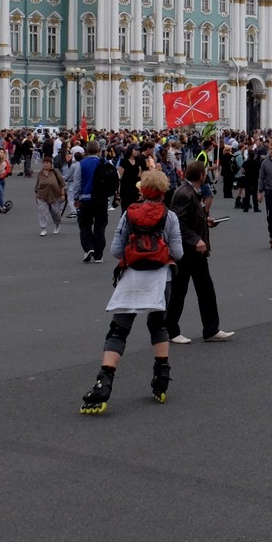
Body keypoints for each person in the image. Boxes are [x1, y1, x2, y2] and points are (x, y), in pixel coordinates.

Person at [79, 170, 185, 415]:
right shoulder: (169, 217)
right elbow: (178, 253)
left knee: (119, 329)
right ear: (163, 192)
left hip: (131, 276)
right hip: (160, 277)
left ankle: (104, 381)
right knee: (159, 325)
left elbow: (116, 249)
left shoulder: (129, 214)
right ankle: (161, 376)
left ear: (142, 191)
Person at [166, 161, 233, 342]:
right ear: (202, 176)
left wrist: (206, 221)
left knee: (205, 289)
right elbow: (177, 222)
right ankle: (171, 330)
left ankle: (211, 329)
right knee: (180, 290)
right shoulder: (185, 194)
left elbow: (189, 218)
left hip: (195, 249)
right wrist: (195, 239)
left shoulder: (190, 191)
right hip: (187, 250)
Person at [68, 141, 109, 261]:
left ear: (86, 150)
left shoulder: (81, 164)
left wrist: (75, 197)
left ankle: (88, 247)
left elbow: (77, 182)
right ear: (98, 150)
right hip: (101, 199)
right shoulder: (105, 163)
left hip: (86, 198)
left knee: (85, 224)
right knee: (100, 226)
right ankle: (99, 254)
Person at [35, 158, 67, 236]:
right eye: (44, 163)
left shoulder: (55, 172)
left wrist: (62, 194)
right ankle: (43, 228)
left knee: (55, 212)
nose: (46, 164)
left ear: (50, 164)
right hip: (42, 195)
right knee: (43, 212)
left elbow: (62, 184)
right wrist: (36, 195)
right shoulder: (40, 173)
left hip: (55, 195)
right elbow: (37, 185)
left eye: (47, 163)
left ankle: (57, 224)